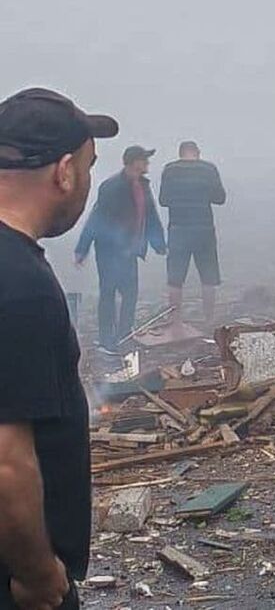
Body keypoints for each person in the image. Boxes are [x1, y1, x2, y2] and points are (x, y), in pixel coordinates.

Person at [0, 87, 119, 609]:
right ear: (64, 171)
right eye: (90, 168)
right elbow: (6, 460)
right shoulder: (20, 285)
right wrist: (36, 574)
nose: (87, 184)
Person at [75, 145, 166, 353]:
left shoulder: (143, 185)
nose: (147, 163)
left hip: (130, 251)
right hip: (109, 251)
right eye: (144, 160)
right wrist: (83, 248)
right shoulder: (111, 187)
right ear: (133, 162)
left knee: (130, 293)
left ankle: (124, 335)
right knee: (108, 293)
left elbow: (150, 214)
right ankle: (106, 340)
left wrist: (158, 242)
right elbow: (96, 218)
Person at [159, 141, 225, 327]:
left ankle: (175, 320)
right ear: (197, 153)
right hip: (204, 228)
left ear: (180, 153)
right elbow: (220, 198)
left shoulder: (170, 170)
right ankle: (209, 319)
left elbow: (163, 200)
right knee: (208, 276)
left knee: (175, 278)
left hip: (178, 228)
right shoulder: (208, 169)